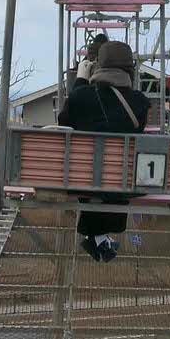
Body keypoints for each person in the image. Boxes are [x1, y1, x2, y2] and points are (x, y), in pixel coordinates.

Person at [56, 39, 150, 262]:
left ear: (99, 68)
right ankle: (99, 237)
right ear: (130, 71)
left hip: (81, 179)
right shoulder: (140, 103)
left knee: (92, 174)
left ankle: (97, 237)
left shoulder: (80, 96)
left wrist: (80, 80)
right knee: (112, 175)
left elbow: (65, 122)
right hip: (123, 184)